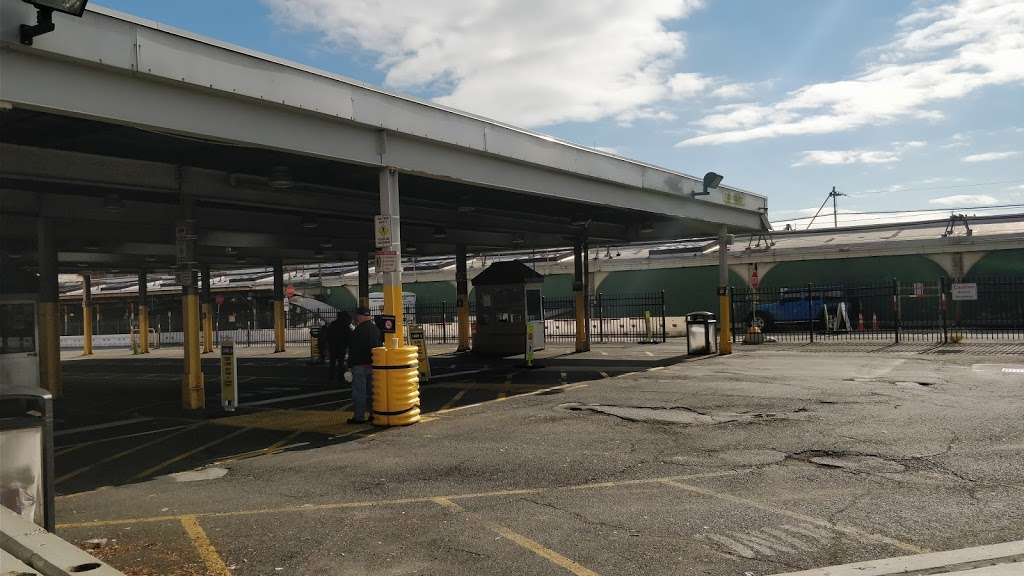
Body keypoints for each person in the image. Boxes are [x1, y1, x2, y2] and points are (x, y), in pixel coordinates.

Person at [348, 306, 380, 424]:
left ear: (360, 316)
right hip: (373, 365)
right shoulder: (375, 329)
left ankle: (359, 417)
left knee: (359, 393)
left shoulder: (358, 331)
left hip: (359, 365)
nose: (356, 318)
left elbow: (353, 349)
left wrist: (349, 365)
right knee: (373, 392)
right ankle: (374, 414)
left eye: (357, 316)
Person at [326, 311, 352, 383]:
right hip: (342, 347)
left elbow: (328, 335)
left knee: (332, 363)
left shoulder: (333, 324)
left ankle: (331, 377)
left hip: (333, 347)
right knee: (341, 363)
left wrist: (329, 344)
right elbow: (349, 337)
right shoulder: (345, 325)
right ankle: (340, 377)